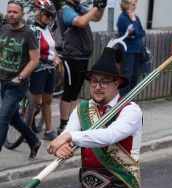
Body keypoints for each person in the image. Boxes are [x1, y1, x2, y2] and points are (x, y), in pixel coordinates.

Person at [46, 46, 143, 188]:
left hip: (117, 187)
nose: (97, 87)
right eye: (94, 81)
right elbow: (64, 138)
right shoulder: (82, 110)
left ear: (117, 83)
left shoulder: (130, 111)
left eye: (104, 82)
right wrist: (58, 147)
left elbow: (109, 136)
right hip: (88, 185)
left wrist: (70, 136)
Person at [0, 0, 43, 159]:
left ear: (22, 14)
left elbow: (34, 60)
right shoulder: (4, 29)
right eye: (9, 11)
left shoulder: (28, 33)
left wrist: (20, 77)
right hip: (3, 80)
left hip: (17, 84)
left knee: (2, 118)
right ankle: (34, 141)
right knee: (13, 118)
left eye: (15, 12)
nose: (11, 14)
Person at [57, 0, 106, 134]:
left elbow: (96, 17)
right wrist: (95, 7)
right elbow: (80, 22)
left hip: (83, 57)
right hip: (72, 56)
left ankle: (72, 123)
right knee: (69, 92)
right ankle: (63, 124)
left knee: (75, 93)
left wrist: (101, 7)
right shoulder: (66, 9)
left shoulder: (78, 8)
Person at [29, 0, 61, 141]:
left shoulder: (49, 28)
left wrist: (57, 57)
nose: (50, 18)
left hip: (50, 68)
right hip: (38, 68)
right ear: (39, 14)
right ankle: (27, 130)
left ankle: (48, 130)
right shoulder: (33, 30)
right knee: (34, 102)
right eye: (47, 15)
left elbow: (53, 47)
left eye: (52, 15)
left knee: (47, 101)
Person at [116, 0, 146, 96]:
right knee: (127, 75)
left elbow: (142, 32)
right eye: (133, 4)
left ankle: (131, 98)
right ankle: (123, 99)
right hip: (128, 50)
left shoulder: (135, 17)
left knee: (135, 75)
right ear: (126, 5)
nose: (135, 7)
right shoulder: (123, 18)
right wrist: (133, 21)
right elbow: (137, 32)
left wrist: (134, 34)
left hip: (137, 50)